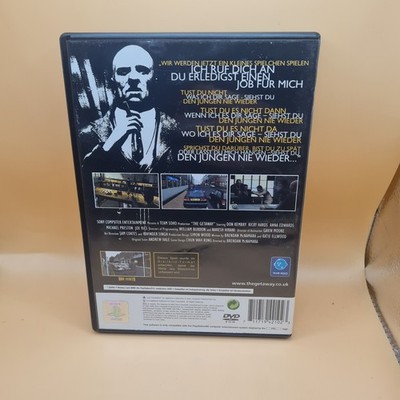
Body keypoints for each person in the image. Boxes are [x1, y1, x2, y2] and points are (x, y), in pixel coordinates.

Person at [79, 45, 179, 172]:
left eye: (142, 71)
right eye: (123, 72)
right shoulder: (88, 134)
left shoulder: (177, 131)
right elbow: (84, 176)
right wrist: (110, 143)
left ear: (154, 76)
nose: (133, 78)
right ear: (112, 78)